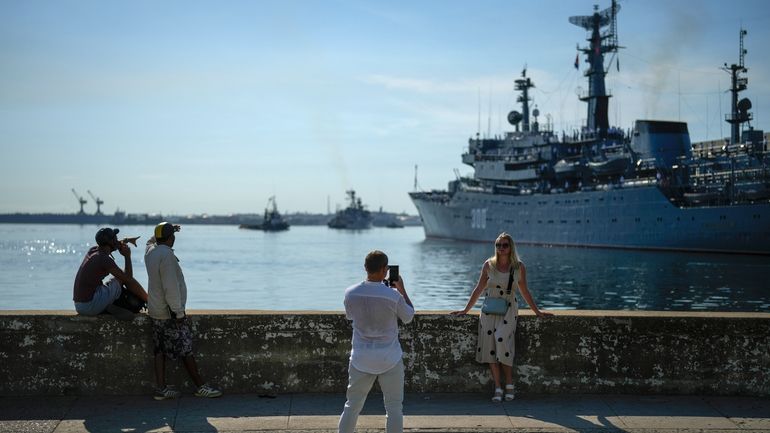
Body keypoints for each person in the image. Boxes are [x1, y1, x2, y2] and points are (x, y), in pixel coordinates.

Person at [451, 232, 551, 402]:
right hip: (489, 309)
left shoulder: (518, 267)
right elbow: (478, 289)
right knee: (490, 346)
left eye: (504, 245)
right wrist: (466, 310)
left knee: (501, 339)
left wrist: (537, 312)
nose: (501, 248)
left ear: (511, 247)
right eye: (498, 245)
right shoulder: (488, 265)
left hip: (509, 309)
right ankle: (498, 387)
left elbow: (525, 291)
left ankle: (509, 383)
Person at [145, 221, 222, 401]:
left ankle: (161, 389)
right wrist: (179, 313)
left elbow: (149, 242)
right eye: (173, 235)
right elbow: (170, 288)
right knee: (186, 349)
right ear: (171, 238)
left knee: (159, 350)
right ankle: (200, 387)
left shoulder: (150, 252)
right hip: (169, 313)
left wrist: (164, 231)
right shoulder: (167, 257)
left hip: (155, 310)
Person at [339, 250, 414, 433]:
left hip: (360, 357)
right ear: (385, 270)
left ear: (365, 268)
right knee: (394, 408)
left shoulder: (350, 293)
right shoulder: (393, 295)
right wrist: (402, 290)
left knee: (352, 406)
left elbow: (350, 316)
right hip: (389, 358)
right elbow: (408, 317)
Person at [73, 227, 148, 317]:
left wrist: (126, 240)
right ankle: (150, 301)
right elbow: (128, 278)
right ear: (110, 242)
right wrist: (127, 256)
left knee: (117, 278)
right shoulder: (104, 259)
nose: (117, 240)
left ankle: (107, 306)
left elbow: (110, 245)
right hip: (89, 306)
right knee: (121, 279)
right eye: (115, 238)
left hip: (79, 305)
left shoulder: (93, 251)